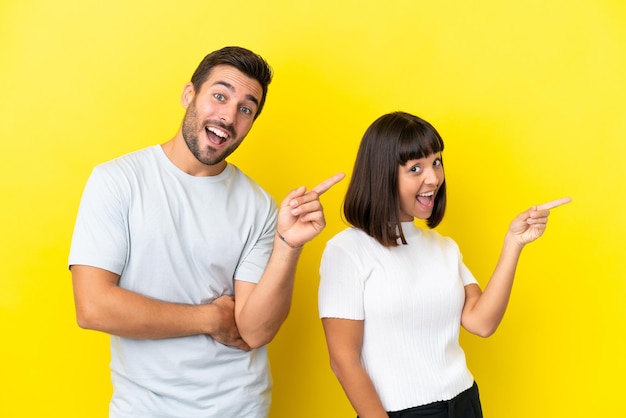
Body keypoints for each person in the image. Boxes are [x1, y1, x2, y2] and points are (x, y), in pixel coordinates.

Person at [69, 46, 344, 418]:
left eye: (246, 109)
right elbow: (93, 307)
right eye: (219, 96)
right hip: (144, 408)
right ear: (189, 95)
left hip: (239, 406)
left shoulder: (260, 207)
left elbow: (256, 330)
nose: (229, 116)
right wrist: (209, 318)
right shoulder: (117, 181)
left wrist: (288, 244)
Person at [318, 111, 570, 418]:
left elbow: (481, 322)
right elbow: (344, 360)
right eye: (415, 168)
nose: (434, 178)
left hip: (465, 403)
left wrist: (514, 243)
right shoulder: (347, 250)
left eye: (437, 162)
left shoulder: (444, 248)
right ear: (382, 174)